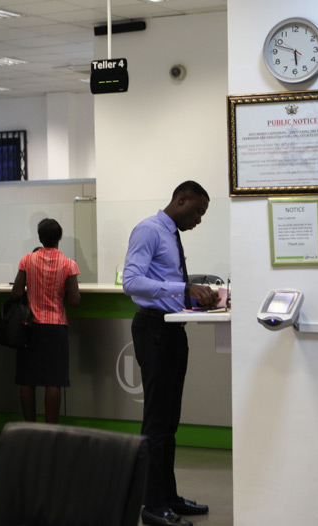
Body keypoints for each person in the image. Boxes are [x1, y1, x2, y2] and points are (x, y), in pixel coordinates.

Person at [123, 181, 218, 526]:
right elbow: (131, 282)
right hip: (153, 330)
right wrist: (184, 287)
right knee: (156, 422)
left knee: (169, 422)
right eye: (197, 211)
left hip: (173, 331)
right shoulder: (149, 230)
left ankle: (169, 497)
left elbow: (164, 281)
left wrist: (201, 296)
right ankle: (151, 505)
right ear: (181, 199)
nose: (198, 219)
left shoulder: (172, 234)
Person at [10, 219, 81, 424]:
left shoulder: (27, 260)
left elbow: (16, 292)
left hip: (30, 326)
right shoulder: (69, 264)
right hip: (56, 327)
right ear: (59, 238)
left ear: (39, 238)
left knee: (27, 380)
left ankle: (29, 428)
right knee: (53, 381)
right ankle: (50, 430)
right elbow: (75, 301)